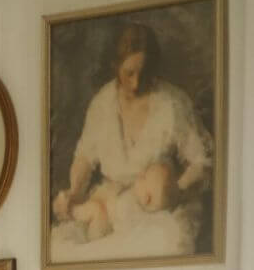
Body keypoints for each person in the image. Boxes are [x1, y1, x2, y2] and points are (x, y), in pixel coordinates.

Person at [52, 23, 212, 252]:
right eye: (129, 73)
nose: (136, 83)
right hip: (110, 204)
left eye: (144, 73)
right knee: (64, 247)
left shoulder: (171, 103)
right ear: (115, 66)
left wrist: (175, 191)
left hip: (158, 210)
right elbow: (85, 157)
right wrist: (75, 191)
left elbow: (201, 162)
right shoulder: (102, 103)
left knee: (166, 244)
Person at [71, 160, 179, 241]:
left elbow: (116, 216)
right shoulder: (137, 198)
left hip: (101, 230)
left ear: (146, 199)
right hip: (105, 220)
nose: (141, 174)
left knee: (96, 208)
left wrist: (109, 199)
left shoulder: (131, 208)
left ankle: (73, 211)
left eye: (144, 177)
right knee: (97, 205)